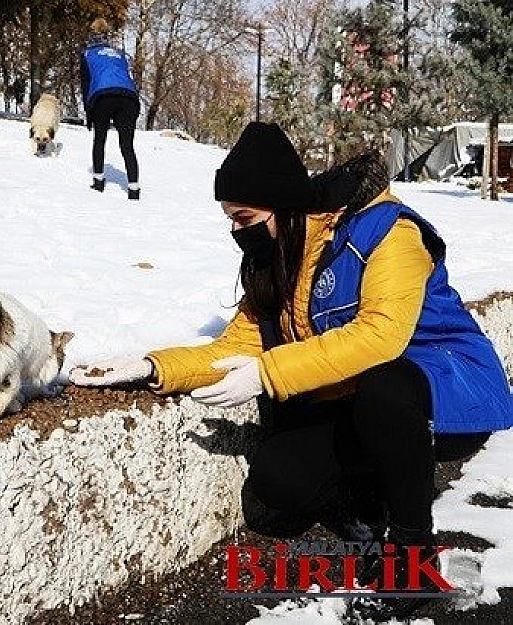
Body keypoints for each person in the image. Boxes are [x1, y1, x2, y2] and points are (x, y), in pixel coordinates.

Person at [70, 122, 513, 619]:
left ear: (282, 207)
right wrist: (151, 365)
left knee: (385, 383)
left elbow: (380, 336)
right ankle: (373, 512)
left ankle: (414, 556)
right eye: (230, 220)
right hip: (367, 407)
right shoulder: (279, 257)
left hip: (447, 393)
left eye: (244, 217)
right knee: (278, 480)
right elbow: (234, 346)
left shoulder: (389, 231)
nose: (237, 232)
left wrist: (266, 373)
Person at [80, 18, 141, 200]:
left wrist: (89, 111)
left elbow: (86, 83)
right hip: (129, 97)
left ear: (91, 34)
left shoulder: (87, 54)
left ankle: (98, 182)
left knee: (99, 140)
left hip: (103, 96)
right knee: (127, 146)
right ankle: (134, 190)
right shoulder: (120, 54)